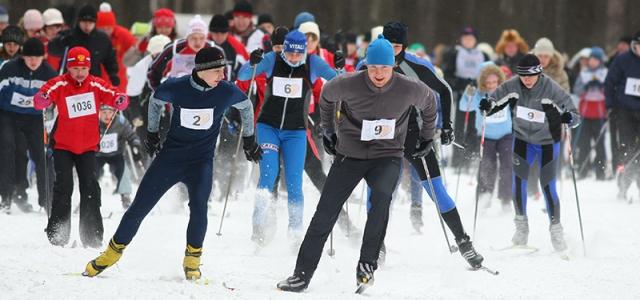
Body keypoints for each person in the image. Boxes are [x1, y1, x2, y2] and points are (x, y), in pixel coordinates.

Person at [276, 35, 437, 292]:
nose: (378, 73)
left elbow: (430, 104)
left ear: (393, 65)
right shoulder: (348, 84)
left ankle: (367, 264)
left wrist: (427, 137)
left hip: (387, 156)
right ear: (366, 65)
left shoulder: (409, 88)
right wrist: (328, 131)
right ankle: (302, 274)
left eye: (384, 67)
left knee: (381, 201)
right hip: (349, 156)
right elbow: (327, 96)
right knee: (325, 212)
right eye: (373, 67)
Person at [83, 47, 260, 280]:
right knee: (140, 207)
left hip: (201, 162)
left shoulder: (225, 91)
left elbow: (246, 106)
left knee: (199, 208)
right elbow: (155, 101)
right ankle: (112, 253)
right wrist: (152, 133)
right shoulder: (177, 86)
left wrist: (249, 139)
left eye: (222, 70)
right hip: (170, 160)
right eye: (217, 70)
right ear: (202, 70)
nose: (222, 75)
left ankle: (192, 261)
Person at [369, 22, 483, 266]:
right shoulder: (371, 63)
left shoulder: (416, 65)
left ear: (405, 46)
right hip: (383, 134)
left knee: (437, 190)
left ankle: (464, 242)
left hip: (415, 134)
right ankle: (375, 245)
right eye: (388, 45)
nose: (392, 51)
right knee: (378, 192)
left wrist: (447, 126)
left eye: (397, 46)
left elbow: (444, 90)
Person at [238, 30, 339, 246]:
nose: (293, 58)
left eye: (297, 54)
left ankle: (294, 232)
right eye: (289, 53)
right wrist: (252, 62)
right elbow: (243, 75)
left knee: (294, 182)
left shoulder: (313, 63)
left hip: (296, 132)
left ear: (304, 51)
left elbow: (339, 81)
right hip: (268, 127)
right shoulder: (272, 60)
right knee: (268, 174)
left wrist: (339, 66)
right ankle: (258, 227)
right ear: (283, 49)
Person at [479, 54, 580, 252]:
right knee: (519, 183)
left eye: (531, 75)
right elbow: (493, 100)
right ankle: (521, 228)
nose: (526, 79)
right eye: (523, 75)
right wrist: (487, 105)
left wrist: (570, 117)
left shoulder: (550, 87)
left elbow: (574, 113)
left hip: (548, 143)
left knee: (548, 186)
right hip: (523, 141)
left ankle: (556, 230)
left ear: (539, 73)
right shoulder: (513, 85)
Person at [34, 46, 129, 248]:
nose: (79, 72)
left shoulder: (95, 84)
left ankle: (92, 235)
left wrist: (119, 99)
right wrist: (42, 99)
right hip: (63, 146)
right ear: (68, 68)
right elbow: (45, 93)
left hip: (87, 147)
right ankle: (57, 234)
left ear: (88, 68)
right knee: (64, 186)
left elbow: (112, 93)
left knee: (90, 188)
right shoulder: (60, 83)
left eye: (83, 68)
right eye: (75, 68)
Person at [0, 38, 57, 213]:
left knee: (43, 155)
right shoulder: (10, 68)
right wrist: (31, 98)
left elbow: (55, 98)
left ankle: (47, 200)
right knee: (8, 148)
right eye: (29, 57)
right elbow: (2, 90)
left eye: (37, 57)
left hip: (34, 119)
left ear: (44, 57)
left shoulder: (49, 73)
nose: (33, 61)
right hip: (9, 116)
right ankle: (6, 196)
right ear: (23, 57)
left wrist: (47, 106)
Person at [459, 62, 512, 211]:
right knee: (487, 167)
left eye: (494, 82)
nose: (491, 85)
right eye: (488, 83)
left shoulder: (506, 91)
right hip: (485, 136)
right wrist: (467, 93)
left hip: (505, 135)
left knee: (507, 166)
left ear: (500, 80)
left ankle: (506, 199)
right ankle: (484, 196)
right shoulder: (478, 95)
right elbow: (464, 107)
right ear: (483, 82)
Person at [442, 26, 489, 167]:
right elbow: (447, 75)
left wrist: (479, 84)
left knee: (475, 126)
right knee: (459, 126)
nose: (468, 41)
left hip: (478, 95)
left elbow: (489, 73)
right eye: (465, 38)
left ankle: (471, 157)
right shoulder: (455, 53)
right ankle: (457, 159)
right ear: (461, 39)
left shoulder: (482, 54)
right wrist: (460, 84)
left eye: (471, 38)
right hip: (461, 95)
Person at [47, 4, 120, 87]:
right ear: (79, 21)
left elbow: (109, 58)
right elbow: (52, 49)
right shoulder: (68, 35)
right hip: (69, 83)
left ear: (95, 22)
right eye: (84, 21)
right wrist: (61, 43)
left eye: (90, 22)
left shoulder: (102, 39)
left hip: (92, 84)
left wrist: (113, 73)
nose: (87, 25)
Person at [605, 31, 640, 200]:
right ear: (634, 45)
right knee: (627, 147)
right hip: (625, 110)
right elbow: (610, 82)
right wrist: (610, 104)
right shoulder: (623, 60)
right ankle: (624, 185)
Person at [96, 105, 142, 208]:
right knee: (91, 173)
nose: (107, 116)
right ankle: (89, 197)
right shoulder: (92, 122)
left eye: (110, 113)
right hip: (98, 155)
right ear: (98, 113)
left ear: (114, 113)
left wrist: (135, 145)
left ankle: (125, 196)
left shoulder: (120, 122)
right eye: (104, 113)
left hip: (116, 154)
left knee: (123, 171)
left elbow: (131, 135)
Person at [573, 47, 608, 180]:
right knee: (584, 144)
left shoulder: (605, 73)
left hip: (599, 114)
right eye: (591, 59)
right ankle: (583, 170)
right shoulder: (584, 73)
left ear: (600, 61)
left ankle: (600, 172)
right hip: (586, 114)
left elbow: (610, 89)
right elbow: (577, 90)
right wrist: (585, 88)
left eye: (595, 60)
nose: (592, 62)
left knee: (600, 144)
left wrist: (601, 86)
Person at [96, 7, 137, 93]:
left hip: (119, 80)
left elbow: (137, 49)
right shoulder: (93, 37)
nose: (106, 31)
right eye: (102, 29)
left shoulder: (123, 34)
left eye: (109, 28)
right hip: (99, 80)